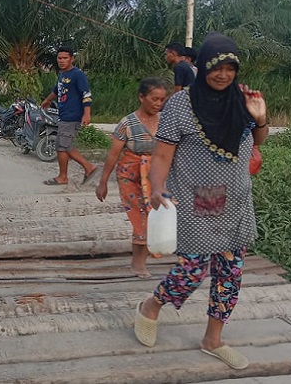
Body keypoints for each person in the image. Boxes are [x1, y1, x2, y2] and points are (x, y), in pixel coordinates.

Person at [134, 32, 269, 370]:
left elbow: (258, 140)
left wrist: (261, 117)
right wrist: (157, 187)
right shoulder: (182, 104)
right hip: (202, 197)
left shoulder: (242, 97)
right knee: (194, 268)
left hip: (237, 198)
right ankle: (153, 304)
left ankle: (213, 339)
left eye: (229, 67)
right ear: (204, 64)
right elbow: (163, 153)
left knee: (230, 273)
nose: (222, 74)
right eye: (215, 67)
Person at [95, 78, 169, 278]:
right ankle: (138, 263)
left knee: (155, 215)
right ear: (141, 97)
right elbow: (113, 155)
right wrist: (103, 182)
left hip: (156, 176)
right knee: (141, 216)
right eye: (154, 99)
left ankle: (149, 251)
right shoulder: (127, 124)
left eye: (162, 100)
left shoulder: (166, 121)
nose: (158, 104)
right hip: (131, 176)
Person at [40, 47, 97, 185]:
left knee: (64, 146)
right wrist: (48, 100)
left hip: (72, 116)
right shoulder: (62, 74)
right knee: (61, 146)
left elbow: (86, 94)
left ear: (72, 58)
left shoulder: (77, 74)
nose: (61, 61)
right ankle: (63, 176)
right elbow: (56, 90)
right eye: (59, 58)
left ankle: (88, 167)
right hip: (64, 115)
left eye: (65, 58)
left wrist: (87, 113)